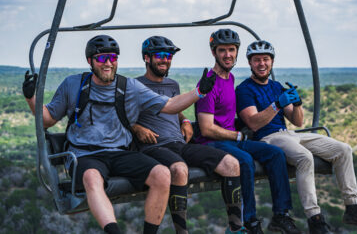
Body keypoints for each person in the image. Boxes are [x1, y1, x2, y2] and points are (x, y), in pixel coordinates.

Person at [22, 35, 216, 234]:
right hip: (85, 154)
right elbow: (47, 119)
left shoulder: (129, 87)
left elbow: (170, 105)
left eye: (113, 58)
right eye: (102, 58)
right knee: (91, 178)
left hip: (120, 152)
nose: (108, 63)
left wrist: (199, 92)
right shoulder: (73, 85)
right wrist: (32, 98)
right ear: (90, 61)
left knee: (162, 174)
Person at [235, 40, 357, 234]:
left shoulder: (276, 86)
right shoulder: (245, 89)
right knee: (305, 157)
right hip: (268, 138)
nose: (262, 64)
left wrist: (297, 104)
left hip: (289, 133)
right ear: (250, 63)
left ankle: (353, 207)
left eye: (266, 59)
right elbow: (253, 122)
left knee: (343, 150)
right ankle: (315, 220)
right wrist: (276, 105)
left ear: (272, 62)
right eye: (257, 60)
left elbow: (297, 122)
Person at [131, 35, 245, 234]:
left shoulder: (172, 85)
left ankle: (236, 228)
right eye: (159, 55)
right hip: (155, 146)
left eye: (168, 56)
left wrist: (184, 120)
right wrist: (136, 128)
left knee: (232, 164)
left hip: (179, 143)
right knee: (180, 169)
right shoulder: (134, 86)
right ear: (146, 58)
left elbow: (173, 106)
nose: (165, 60)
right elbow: (121, 114)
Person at [194, 29, 301, 234]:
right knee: (244, 160)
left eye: (232, 50)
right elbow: (207, 129)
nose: (227, 55)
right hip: (211, 141)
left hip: (233, 138)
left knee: (275, 153)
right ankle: (249, 221)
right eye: (222, 50)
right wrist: (237, 135)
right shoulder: (209, 82)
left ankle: (281, 214)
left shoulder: (230, 78)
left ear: (237, 52)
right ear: (213, 52)